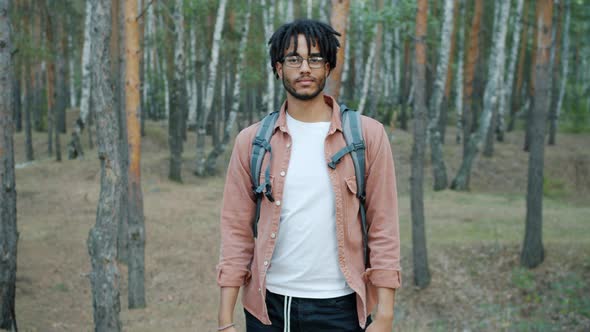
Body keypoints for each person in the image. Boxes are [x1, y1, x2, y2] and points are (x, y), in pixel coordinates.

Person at [216, 19, 401, 332]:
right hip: (269, 308)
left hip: (340, 307)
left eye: (315, 59)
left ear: (328, 67)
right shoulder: (252, 141)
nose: (305, 68)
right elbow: (236, 231)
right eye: (294, 59)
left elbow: (384, 227)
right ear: (278, 68)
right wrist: (224, 321)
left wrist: (385, 314)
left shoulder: (367, 136)